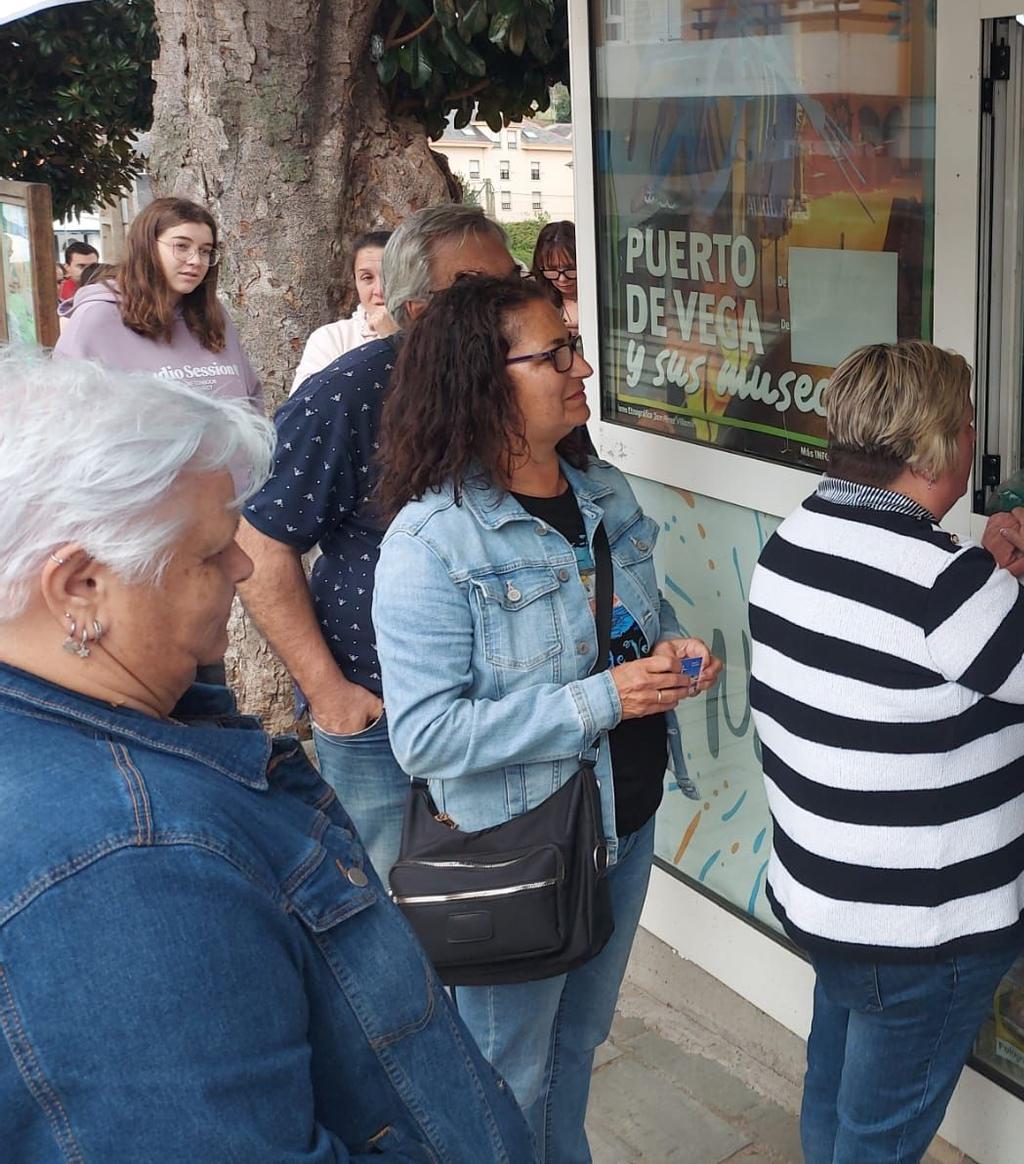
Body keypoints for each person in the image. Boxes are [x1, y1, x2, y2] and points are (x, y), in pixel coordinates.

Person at [0, 349, 536, 1163]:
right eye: (211, 553)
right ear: (80, 587)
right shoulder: (130, 864)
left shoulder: (96, 745)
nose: (245, 566)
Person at [373, 274, 716, 1164]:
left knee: (575, 1049)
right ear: (481, 381)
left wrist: (673, 653)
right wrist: (606, 699)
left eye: (575, 345)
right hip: (520, 849)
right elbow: (426, 736)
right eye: (555, 353)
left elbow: (634, 618)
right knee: (503, 1080)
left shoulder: (600, 493)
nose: (583, 366)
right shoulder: (430, 544)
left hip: (623, 823)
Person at [747, 340, 1024, 1164]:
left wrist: (988, 576)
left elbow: (907, 646)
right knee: (882, 1137)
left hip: (831, 899)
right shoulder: (943, 580)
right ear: (938, 447)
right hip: (923, 930)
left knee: (834, 1093)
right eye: (967, 425)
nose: (973, 440)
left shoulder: (798, 535)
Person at [236, 203, 520, 880]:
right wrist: (329, 692)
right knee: (402, 919)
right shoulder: (349, 395)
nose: (511, 304)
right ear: (419, 311)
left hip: (512, 713)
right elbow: (261, 547)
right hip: (381, 716)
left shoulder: (530, 382)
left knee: (514, 916)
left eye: (514, 282)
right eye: (482, 290)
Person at [53, 195, 261, 405]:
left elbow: (251, 398)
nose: (196, 261)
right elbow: (68, 411)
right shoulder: (98, 316)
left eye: (205, 251)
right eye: (181, 246)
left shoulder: (213, 314)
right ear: (147, 247)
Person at [291, 230, 394, 390]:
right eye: (367, 278)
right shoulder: (331, 338)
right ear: (355, 282)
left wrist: (393, 338)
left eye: (390, 275)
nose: (379, 290)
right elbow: (306, 407)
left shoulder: (433, 335)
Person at [532, 219, 580, 329]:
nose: (562, 279)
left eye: (570, 268)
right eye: (552, 269)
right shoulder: (535, 303)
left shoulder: (604, 299)